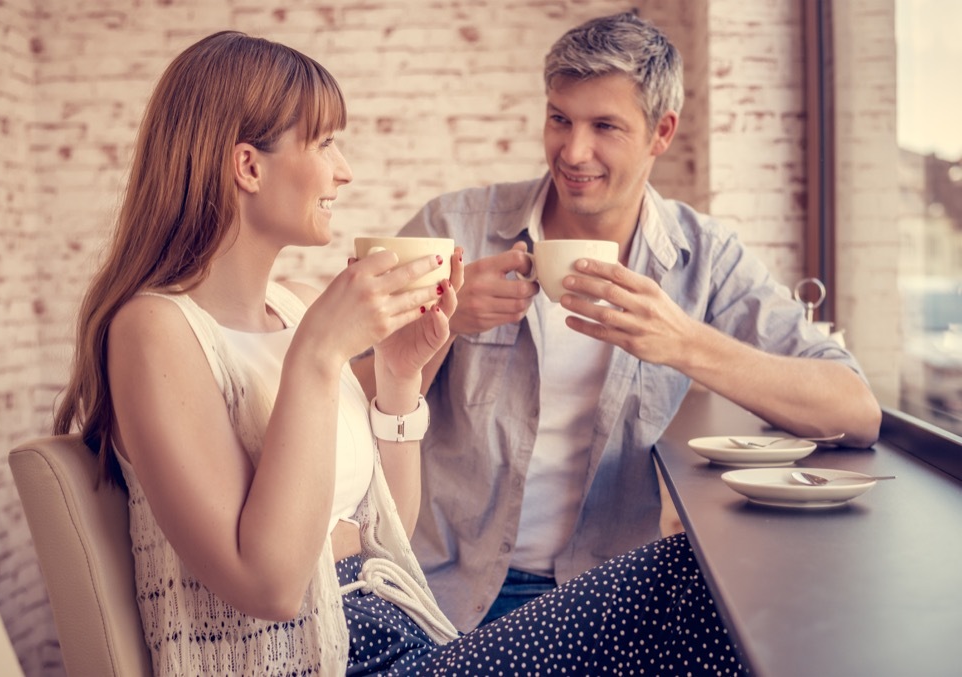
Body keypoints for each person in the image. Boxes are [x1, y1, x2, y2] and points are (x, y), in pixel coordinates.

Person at [53, 30, 746, 675]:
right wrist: (320, 357)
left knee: (708, 578)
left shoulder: (295, 303)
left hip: (404, 629)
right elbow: (268, 583)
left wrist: (399, 377)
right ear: (248, 166)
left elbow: (395, 526)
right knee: (689, 581)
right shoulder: (155, 330)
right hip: (322, 656)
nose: (344, 171)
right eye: (324, 143)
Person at [400, 11, 884, 630]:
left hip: (610, 595)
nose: (574, 152)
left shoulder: (705, 257)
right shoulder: (452, 229)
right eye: (560, 119)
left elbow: (855, 409)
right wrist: (439, 328)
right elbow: (351, 401)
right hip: (441, 586)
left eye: (605, 126)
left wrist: (685, 343)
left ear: (662, 133)